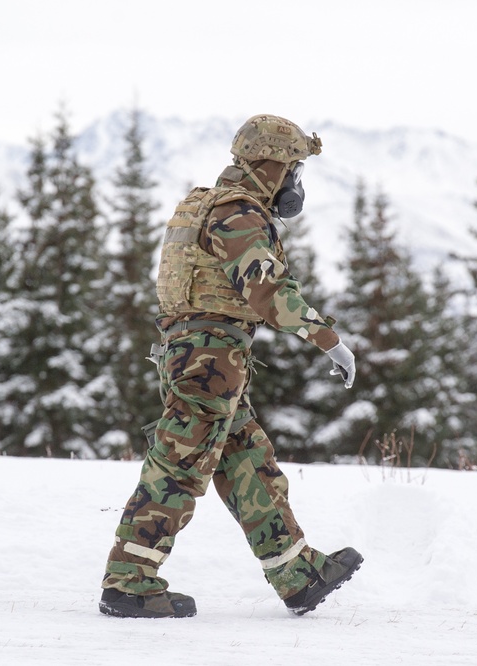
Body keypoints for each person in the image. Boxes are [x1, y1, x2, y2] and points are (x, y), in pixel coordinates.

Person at [99, 114, 362, 619]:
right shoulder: (236, 211)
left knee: (247, 460)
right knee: (178, 466)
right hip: (208, 357)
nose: (296, 183)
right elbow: (266, 290)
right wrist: (328, 339)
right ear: (271, 166)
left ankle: (297, 573)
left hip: (206, 353)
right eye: (294, 169)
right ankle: (129, 581)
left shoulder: (208, 204)